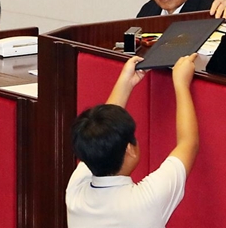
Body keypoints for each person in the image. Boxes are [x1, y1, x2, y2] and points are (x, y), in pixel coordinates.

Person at [66, 53, 199, 228]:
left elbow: (98, 132)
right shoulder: (147, 199)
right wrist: (181, 84)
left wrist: (125, 82)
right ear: (130, 149)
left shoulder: (76, 191)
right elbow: (188, 143)